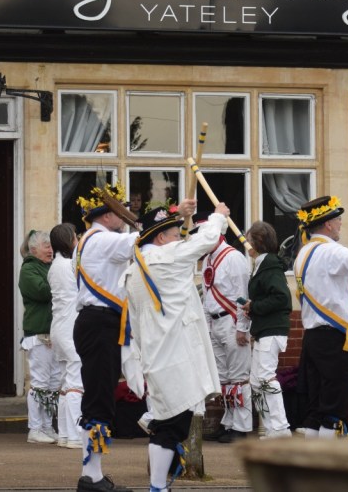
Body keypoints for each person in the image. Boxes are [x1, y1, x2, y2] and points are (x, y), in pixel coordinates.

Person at [124, 198, 222, 492]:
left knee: (168, 420)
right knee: (171, 424)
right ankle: (157, 487)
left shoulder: (134, 270)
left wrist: (184, 217)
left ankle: (158, 485)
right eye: (175, 234)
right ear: (160, 238)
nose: (180, 239)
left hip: (155, 353)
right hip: (176, 353)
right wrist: (217, 217)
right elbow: (205, 241)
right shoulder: (165, 258)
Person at [293, 195, 348, 438]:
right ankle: (327, 458)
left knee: (316, 404)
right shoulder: (329, 251)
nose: (341, 223)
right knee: (334, 405)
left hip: (313, 337)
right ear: (328, 224)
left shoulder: (303, 253)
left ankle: (311, 456)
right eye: (338, 220)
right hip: (333, 338)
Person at [72, 183, 138, 492]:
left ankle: (93, 474)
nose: (124, 218)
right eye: (120, 212)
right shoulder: (103, 240)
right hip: (100, 324)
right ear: (107, 216)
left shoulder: (89, 240)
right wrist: (174, 222)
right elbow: (143, 242)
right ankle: (91, 477)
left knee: (99, 396)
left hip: (97, 323)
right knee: (99, 399)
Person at [200, 217, 252, 444]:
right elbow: (206, 296)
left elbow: (242, 295)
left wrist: (242, 327)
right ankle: (229, 422)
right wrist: (207, 327)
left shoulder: (234, 257)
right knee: (223, 378)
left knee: (239, 377)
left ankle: (241, 426)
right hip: (215, 323)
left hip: (232, 322)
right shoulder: (207, 259)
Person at [242, 221, 293, 440]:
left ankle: (280, 429)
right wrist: (253, 308)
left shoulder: (270, 264)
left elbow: (282, 298)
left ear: (259, 241)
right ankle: (273, 429)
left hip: (272, 329)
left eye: (248, 240)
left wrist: (254, 306)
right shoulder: (263, 264)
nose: (246, 244)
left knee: (265, 378)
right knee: (256, 381)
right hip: (266, 329)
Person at [19, 229, 62, 444]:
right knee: (40, 382)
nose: (51, 250)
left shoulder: (49, 267)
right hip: (38, 333)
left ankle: (47, 426)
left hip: (53, 333)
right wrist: (61, 280)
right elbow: (43, 291)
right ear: (34, 249)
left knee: (53, 384)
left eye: (51, 246)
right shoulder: (28, 269)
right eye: (47, 246)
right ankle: (34, 429)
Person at [48, 223, 84, 450]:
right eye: (75, 237)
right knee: (75, 381)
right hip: (70, 326)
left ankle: (64, 434)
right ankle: (75, 435)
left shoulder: (55, 265)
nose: (77, 240)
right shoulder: (68, 265)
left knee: (65, 382)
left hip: (59, 326)